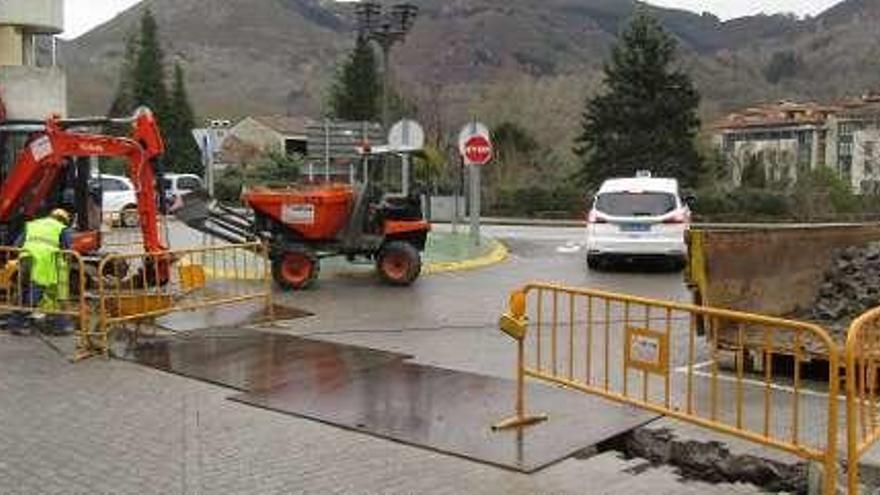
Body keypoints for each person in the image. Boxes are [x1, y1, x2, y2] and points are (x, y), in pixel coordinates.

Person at [5, 208, 74, 336]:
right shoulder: (62, 228)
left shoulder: (33, 224)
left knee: (22, 291)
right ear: (64, 220)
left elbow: (16, 245)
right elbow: (68, 251)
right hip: (42, 264)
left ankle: (16, 322)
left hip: (25, 260)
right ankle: (20, 324)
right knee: (33, 296)